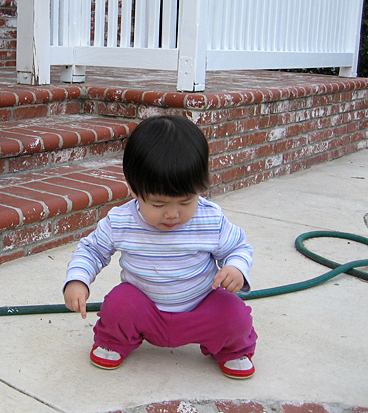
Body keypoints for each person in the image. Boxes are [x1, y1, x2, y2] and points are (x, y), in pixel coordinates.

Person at [63, 115, 257, 379]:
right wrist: (78, 280)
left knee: (234, 314)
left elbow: (239, 247)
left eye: (186, 201)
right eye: (158, 204)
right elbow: (92, 250)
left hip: (200, 307)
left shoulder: (210, 219)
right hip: (146, 310)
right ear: (133, 189)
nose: (172, 214)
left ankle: (234, 350)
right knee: (119, 304)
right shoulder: (121, 221)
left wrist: (236, 268)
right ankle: (115, 341)